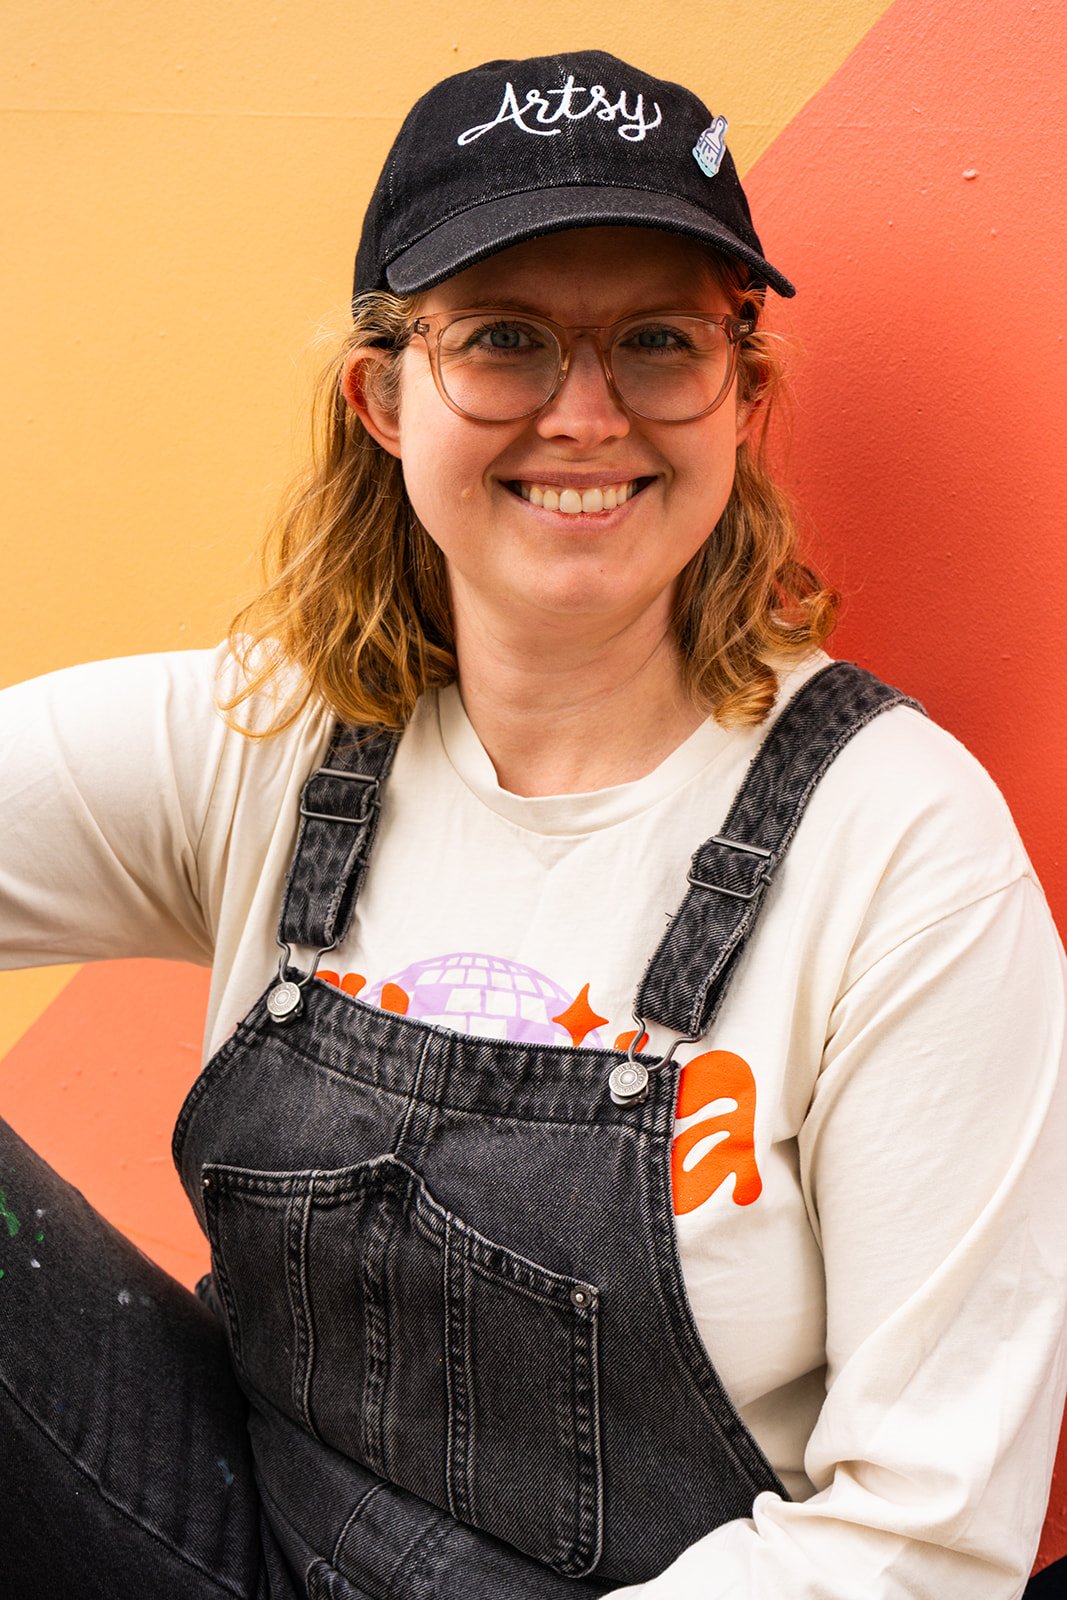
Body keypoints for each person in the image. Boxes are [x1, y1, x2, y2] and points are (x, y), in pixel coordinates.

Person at [1, 47, 1065, 1600]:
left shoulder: (897, 847)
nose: (584, 415)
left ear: (742, 394)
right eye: (504, 341)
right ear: (384, 393)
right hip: (244, 1550)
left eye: (655, 342)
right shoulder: (270, 741)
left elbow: (920, 1541)